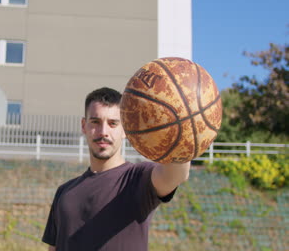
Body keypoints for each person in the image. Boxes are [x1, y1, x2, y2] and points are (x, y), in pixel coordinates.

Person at [42, 87, 190, 251]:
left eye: (113, 123)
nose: (103, 132)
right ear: (84, 126)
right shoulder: (64, 193)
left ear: (125, 129)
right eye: (95, 122)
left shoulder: (137, 179)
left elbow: (176, 175)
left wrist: (181, 126)